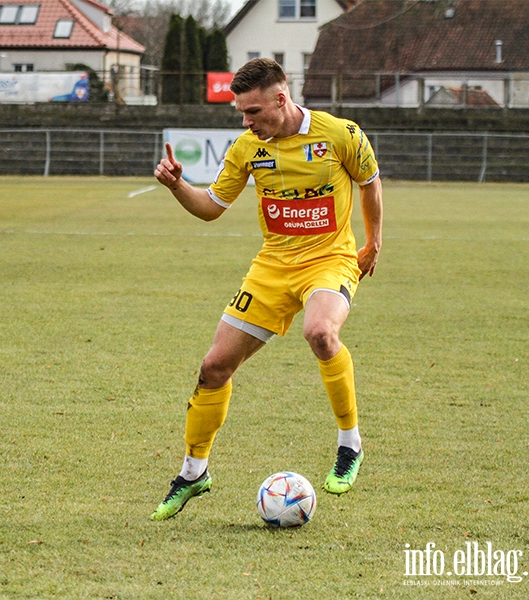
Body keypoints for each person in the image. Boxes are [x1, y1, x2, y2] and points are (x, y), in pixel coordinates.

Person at [150, 58, 382, 520]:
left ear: (281, 99)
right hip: (272, 268)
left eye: (253, 111)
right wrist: (178, 186)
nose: (245, 121)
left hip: (329, 259)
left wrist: (374, 241)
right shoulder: (246, 149)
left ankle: (349, 444)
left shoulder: (341, 134)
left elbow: (371, 184)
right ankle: (194, 472)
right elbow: (213, 206)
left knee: (320, 334)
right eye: (241, 112)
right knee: (214, 367)